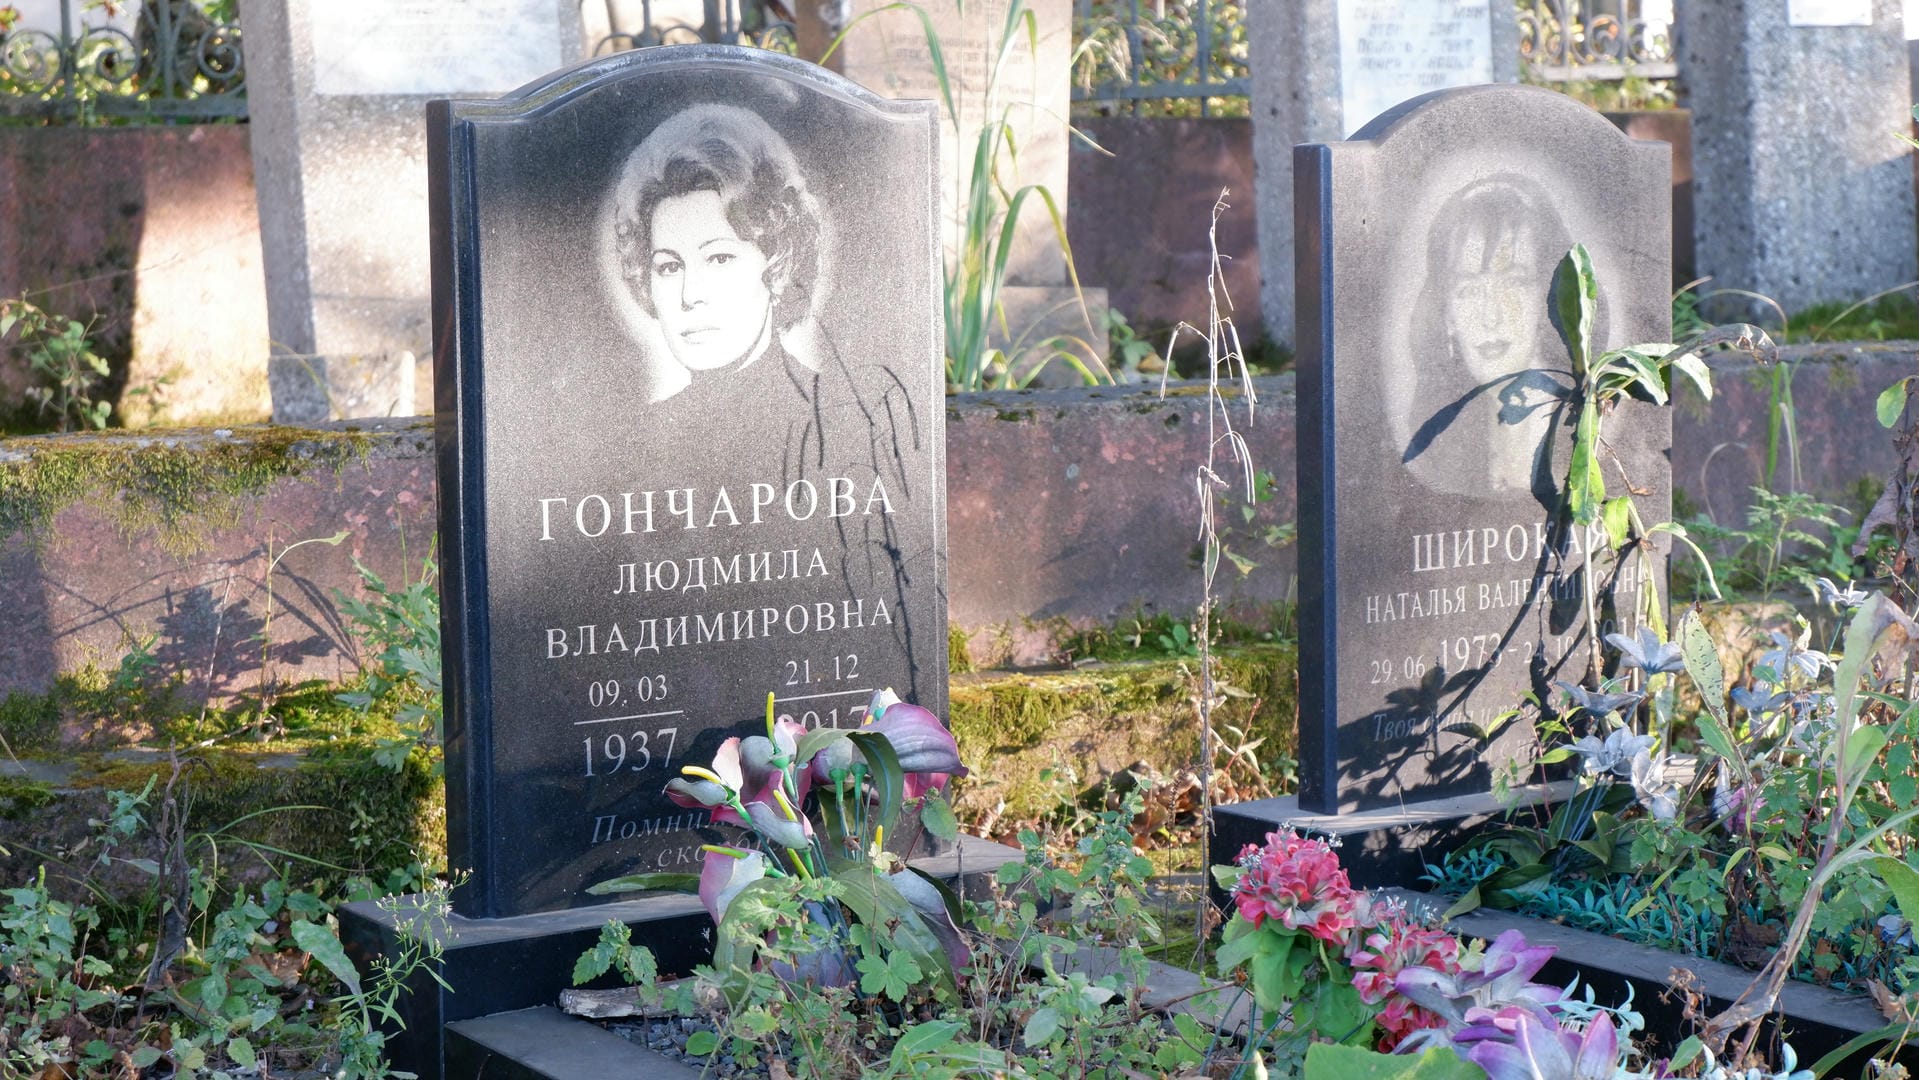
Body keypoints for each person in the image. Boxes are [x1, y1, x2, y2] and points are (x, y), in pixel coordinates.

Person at [603, 104, 829, 405]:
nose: (690, 295)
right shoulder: (642, 428)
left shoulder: (831, 408)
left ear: (778, 264)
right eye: (669, 267)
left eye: (719, 258)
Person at [1398, 174, 1578, 502]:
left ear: (1546, 299)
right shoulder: (1442, 440)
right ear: (1448, 316)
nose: (1490, 317)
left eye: (1513, 283)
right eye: (1469, 290)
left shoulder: (1580, 423)